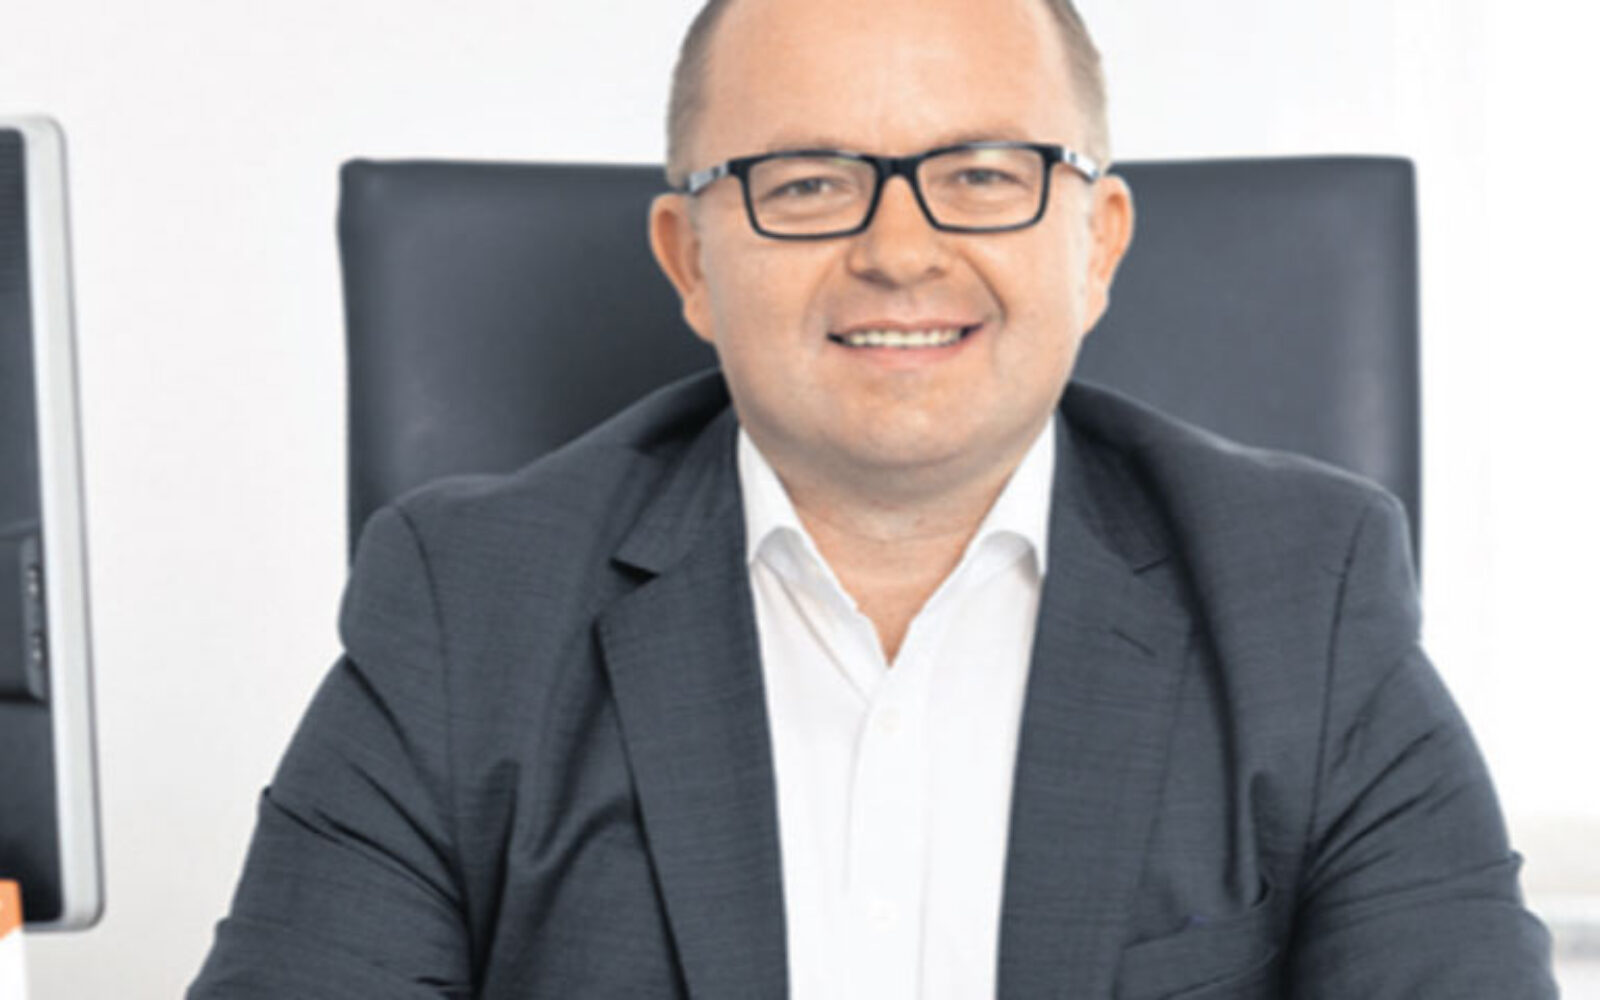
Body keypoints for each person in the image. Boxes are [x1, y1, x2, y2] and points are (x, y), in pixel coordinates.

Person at [190, 0, 1558, 996]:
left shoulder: (1304, 591)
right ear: (690, 260)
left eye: (982, 176)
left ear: (1097, 244)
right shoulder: (465, 605)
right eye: (807, 183)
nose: (900, 250)